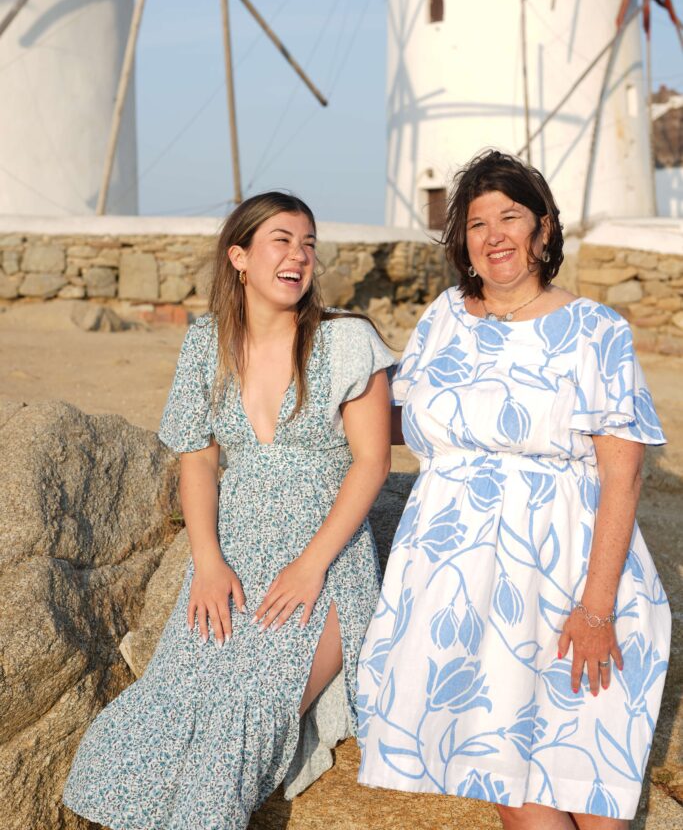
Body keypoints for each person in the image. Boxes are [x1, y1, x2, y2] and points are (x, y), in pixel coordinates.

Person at [357, 150, 670, 829]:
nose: (493, 235)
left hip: (568, 578)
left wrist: (594, 610)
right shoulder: (442, 317)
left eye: (510, 217)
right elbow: (393, 418)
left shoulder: (595, 330)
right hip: (459, 581)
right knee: (514, 791)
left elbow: (623, 472)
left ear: (545, 230)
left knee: (590, 789)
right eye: (475, 223)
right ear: (460, 240)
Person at [63, 191, 393, 830]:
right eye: (282, 240)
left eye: (308, 243)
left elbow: (372, 464)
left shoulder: (346, 342)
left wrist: (310, 567)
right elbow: (197, 458)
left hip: (323, 564)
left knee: (245, 719)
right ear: (239, 257)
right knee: (164, 711)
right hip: (232, 559)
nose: (299, 255)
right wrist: (208, 563)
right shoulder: (206, 344)